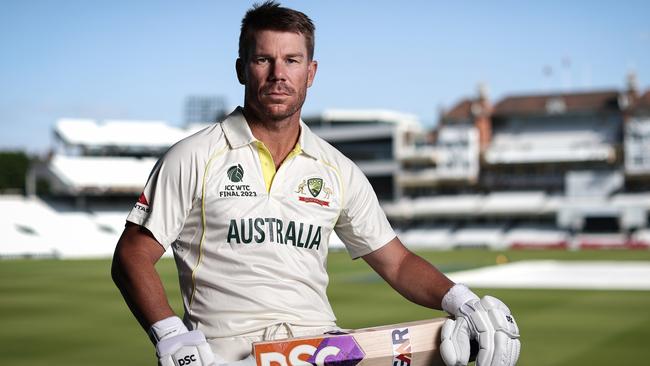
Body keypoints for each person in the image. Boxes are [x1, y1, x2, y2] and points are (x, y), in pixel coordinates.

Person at [111, 2, 520, 366]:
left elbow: (396, 262)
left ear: (311, 72)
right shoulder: (194, 156)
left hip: (324, 351)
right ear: (241, 69)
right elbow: (131, 254)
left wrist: (460, 300)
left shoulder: (337, 168)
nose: (278, 75)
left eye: (292, 60)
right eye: (262, 60)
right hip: (226, 353)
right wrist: (170, 334)